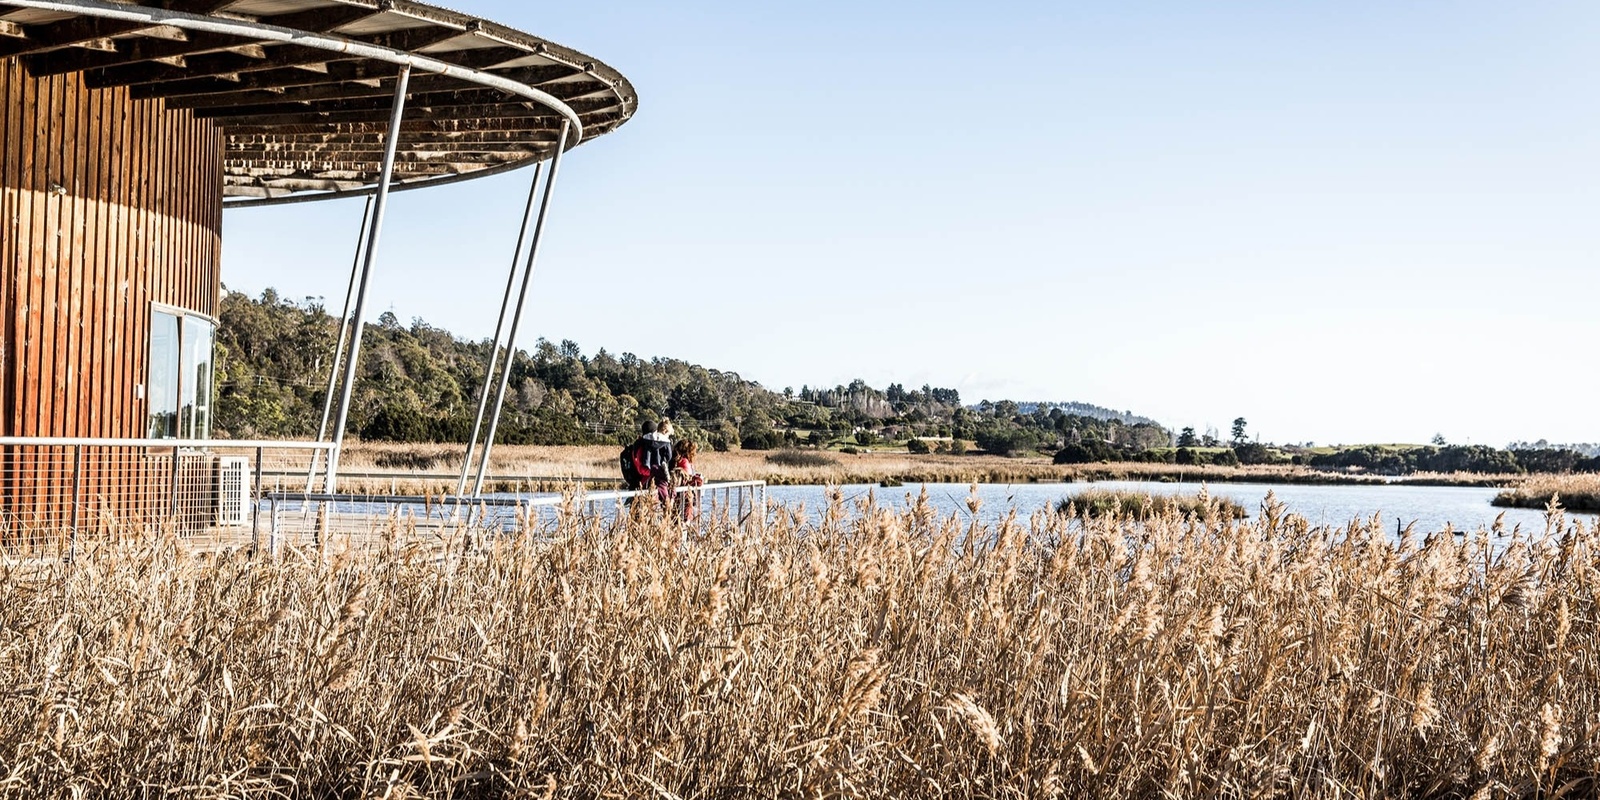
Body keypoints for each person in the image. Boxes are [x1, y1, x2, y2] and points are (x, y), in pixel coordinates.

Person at [642, 419, 675, 506]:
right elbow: (669, 456)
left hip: (649, 467)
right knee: (663, 488)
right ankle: (666, 506)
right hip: (660, 468)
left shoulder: (647, 439)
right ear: (665, 431)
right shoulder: (666, 442)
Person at [671, 438, 705, 520]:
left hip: (675, 498)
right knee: (683, 522)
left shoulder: (674, 461)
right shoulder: (684, 462)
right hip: (684, 499)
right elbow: (688, 479)